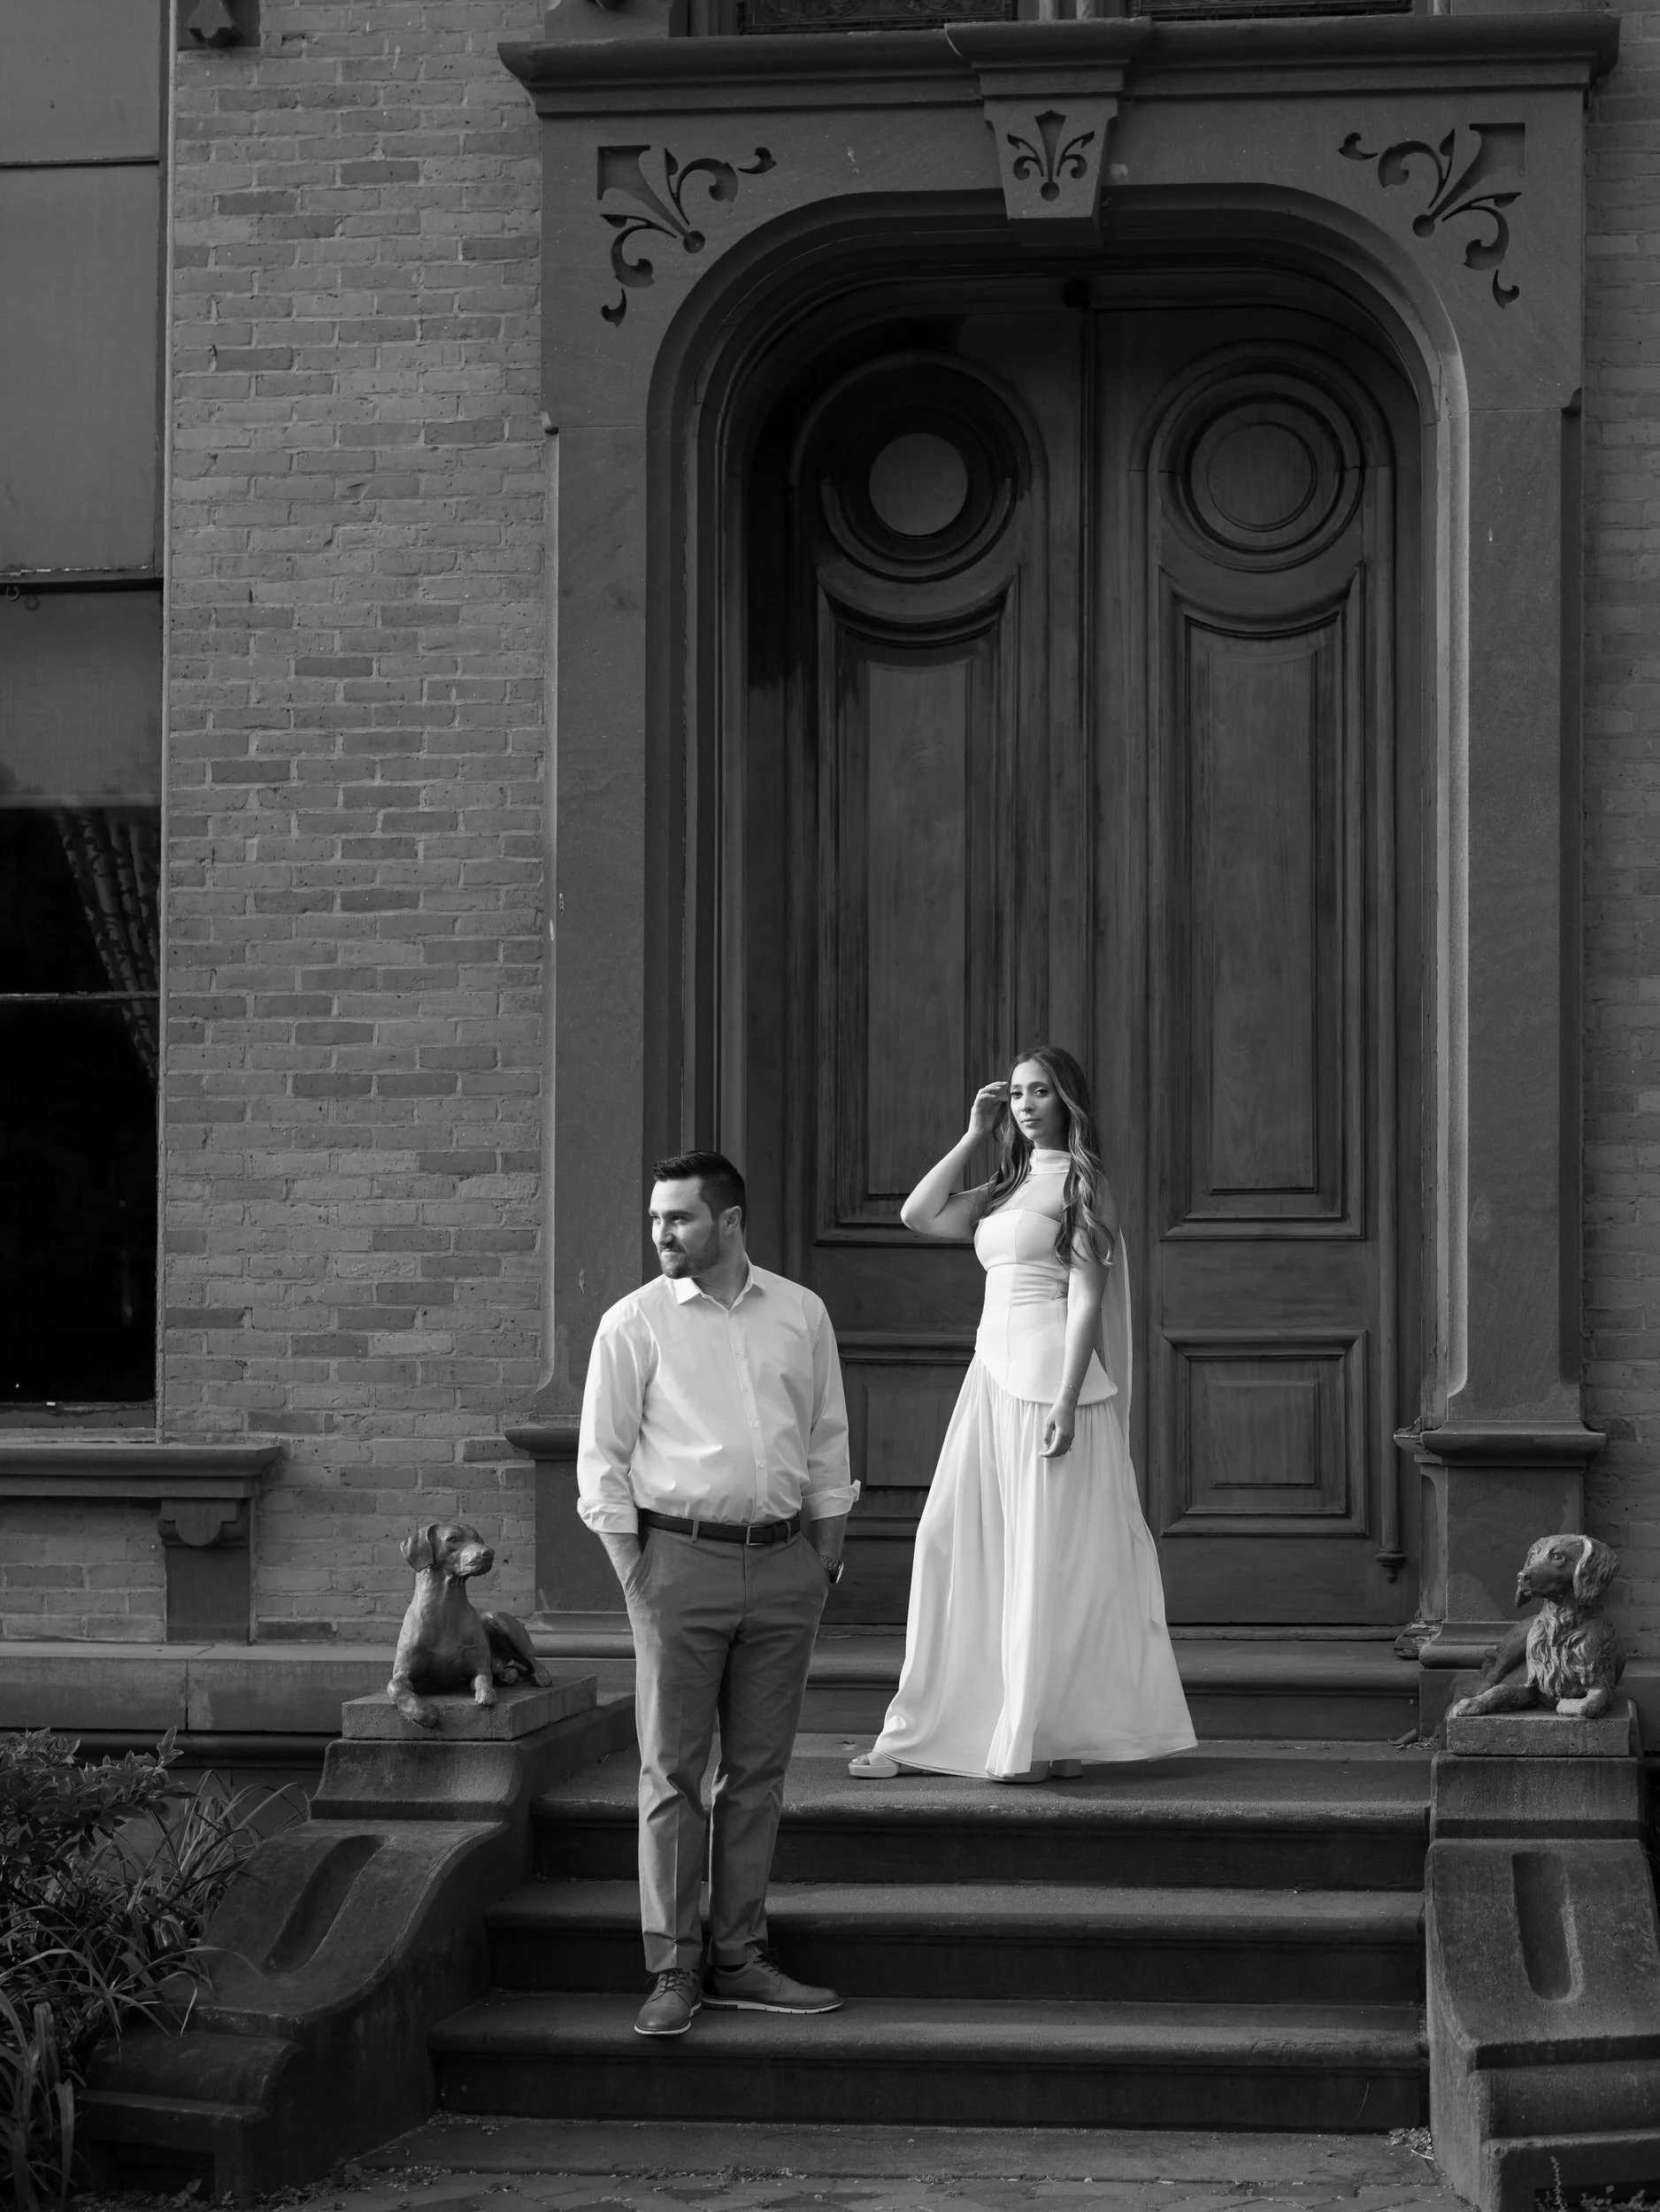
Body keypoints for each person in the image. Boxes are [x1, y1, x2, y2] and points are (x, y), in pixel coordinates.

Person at [849, 1047, 1195, 1783]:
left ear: (1069, 1099)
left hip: (1050, 1390)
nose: (1028, 1105)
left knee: (1046, 1559)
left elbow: (1087, 1304)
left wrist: (1068, 1402)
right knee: (953, 1538)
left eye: (1042, 1092)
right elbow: (919, 1214)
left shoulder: (1083, 1185)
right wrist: (974, 1133)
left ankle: (1041, 1736)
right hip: (991, 1382)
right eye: (1018, 1095)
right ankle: (981, 1729)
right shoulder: (1004, 1185)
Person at [578, 1148, 859, 2038]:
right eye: (656, 1218)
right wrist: (637, 1577)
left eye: (680, 1218)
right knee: (672, 1774)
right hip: (676, 1565)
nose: (662, 1233)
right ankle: (674, 1967)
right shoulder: (631, 1324)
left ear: (729, 1222)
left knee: (759, 1775)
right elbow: (602, 1464)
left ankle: (740, 1955)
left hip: (784, 1565)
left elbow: (826, 1441)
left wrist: (822, 1563)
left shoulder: (800, 1313)